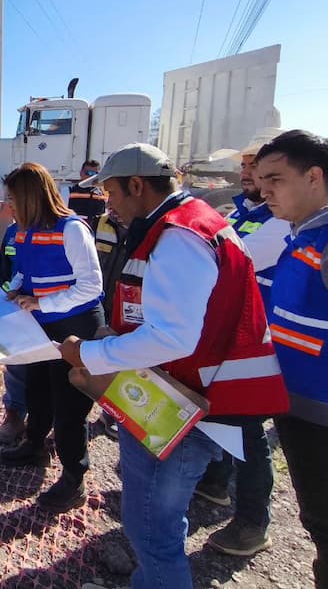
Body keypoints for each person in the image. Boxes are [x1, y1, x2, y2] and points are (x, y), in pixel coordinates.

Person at [59, 143, 288, 589]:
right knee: (157, 521)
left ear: (137, 185)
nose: (109, 205)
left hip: (189, 404)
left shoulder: (179, 235)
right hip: (192, 392)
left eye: (111, 192)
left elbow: (172, 337)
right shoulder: (189, 221)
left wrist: (88, 353)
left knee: (151, 524)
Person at [195, 129, 290, 557]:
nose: (247, 171)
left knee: (250, 431)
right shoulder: (244, 212)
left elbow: (228, 259)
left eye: (257, 165)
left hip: (262, 344)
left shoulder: (280, 220)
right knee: (224, 412)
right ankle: (215, 484)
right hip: (234, 334)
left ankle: (253, 524)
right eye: (247, 164)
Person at [0, 162, 105, 513]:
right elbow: (23, 271)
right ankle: (35, 445)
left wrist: (43, 301)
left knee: (69, 405)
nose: (7, 204)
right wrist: (16, 290)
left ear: (31, 196)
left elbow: (91, 286)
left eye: (12, 198)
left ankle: (75, 478)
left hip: (74, 326)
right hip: (39, 325)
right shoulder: (20, 230)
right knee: (37, 388)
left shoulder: (72, 228)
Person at [255, 130, 328, 589]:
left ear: (315, 176)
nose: (264, 194)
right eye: (261, 183)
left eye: (275, 180)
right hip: (299, 407)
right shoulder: (302, 234)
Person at [92, 203, 129, 439]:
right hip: (98, 304)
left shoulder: (148, 228)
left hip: (127, 310)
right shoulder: (98, 224)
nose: (112, 204)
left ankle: (113, 414)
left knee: (122, 363)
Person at [0, 220, 26, 443]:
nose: (11, 206)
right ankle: (14, 414)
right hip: (15, 312)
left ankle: (42, 421)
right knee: (16, 365)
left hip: (45, 311)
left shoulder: (56, 229)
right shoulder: (12, 231)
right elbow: (2, 272)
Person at [68, 160, 107, 225]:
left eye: (96, 174)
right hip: (77, 228)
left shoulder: (102, 193)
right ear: (81, 173)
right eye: (89, 173)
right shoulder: (69, 191)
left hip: (95, 230)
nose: (92, 176)